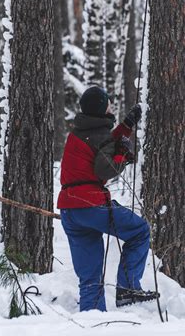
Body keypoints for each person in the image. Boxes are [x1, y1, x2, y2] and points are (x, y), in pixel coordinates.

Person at [57, 86, 158, 312]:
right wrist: (122, 154)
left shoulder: (80, 131)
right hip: (92, 205)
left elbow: (102, 144)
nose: (111, 106)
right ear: (102, 108)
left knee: (90, 278)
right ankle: (129, 288)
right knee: (140, 231)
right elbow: (106, 168)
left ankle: (94, 324)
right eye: (108, 103)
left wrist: (126, 127)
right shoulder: (99, 136)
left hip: (70, 211)